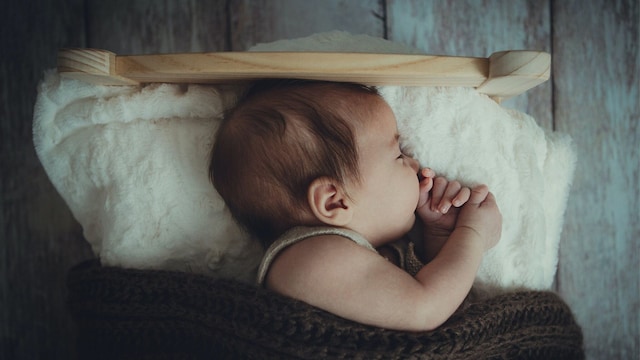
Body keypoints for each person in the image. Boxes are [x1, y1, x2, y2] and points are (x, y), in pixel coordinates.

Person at [210, 79, 502, 331]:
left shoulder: (360, 252)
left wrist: (440, 234)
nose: (414, 162)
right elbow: (425, 309)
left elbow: (443, 305)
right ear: (334, 201)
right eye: (398, 156)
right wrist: (472, 235)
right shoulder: (310, 260)